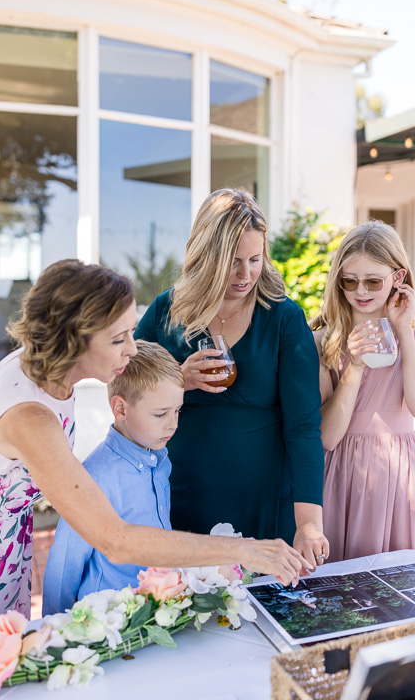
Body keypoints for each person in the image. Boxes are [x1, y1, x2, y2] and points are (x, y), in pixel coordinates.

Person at [0, 259, 309, 626]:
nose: (131, 348)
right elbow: (115, 539)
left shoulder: (29, 364)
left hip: (1, 540)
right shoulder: (32, 420)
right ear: (73, 340)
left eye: (131, 331)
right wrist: (247, 550)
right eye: (118, 339)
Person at [135, 188, 328, 571]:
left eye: (255, 259)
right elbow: (122, 385)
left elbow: (304, 427)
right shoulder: (166, 311)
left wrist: (308, 523)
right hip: (179, 494)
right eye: (233, 262)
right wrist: (177, 379)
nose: (246, 274)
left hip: (263, 499)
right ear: (207, 256)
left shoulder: (283, 318)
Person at [310, 220, 415, 562]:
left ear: (398, 278)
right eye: (349, 281)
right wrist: (354, 366)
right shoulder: (323, 342)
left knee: (401, 588)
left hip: (401, 475)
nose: (360, 291)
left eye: (373, 281)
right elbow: (326, 437)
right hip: (342, 475)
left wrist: (404, 332)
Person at [42, 340, 184, 614]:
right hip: (108, 618)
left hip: (152, 612)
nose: (173, 423)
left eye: (177, 411)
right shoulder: (95, 477)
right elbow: (64, 562)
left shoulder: (159, 458)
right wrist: (53, 626)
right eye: (160, 414)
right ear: (120, 409)